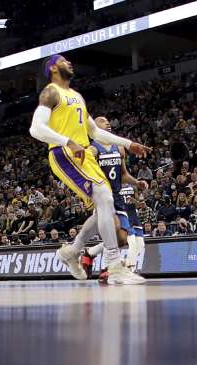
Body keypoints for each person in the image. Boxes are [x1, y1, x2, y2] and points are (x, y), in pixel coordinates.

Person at [28, 54, 150, 285]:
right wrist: (68, 142)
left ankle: (73, 251)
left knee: (103, 206)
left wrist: (127, 143)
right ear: (53, 68)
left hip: (83, 154)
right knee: (105, 198)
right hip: (65, 154)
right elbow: (36, 129)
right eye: (64, 61)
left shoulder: (77, 96)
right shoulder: (50, 92)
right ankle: (114, 265)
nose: (70, 63)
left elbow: (94, 132)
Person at [89, 116, 150, 279]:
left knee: (123, 239)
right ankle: (106, 267)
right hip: (102, 197)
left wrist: (137, 182)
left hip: (117, 196)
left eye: (108, 121)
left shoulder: (119, 148)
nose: (107, 122)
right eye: (102, 121)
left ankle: (90, 254)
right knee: (114, 230)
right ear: (93, 127)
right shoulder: (93, 150)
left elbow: (123, 175)